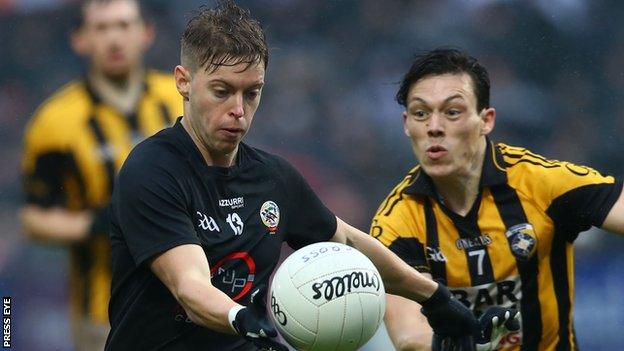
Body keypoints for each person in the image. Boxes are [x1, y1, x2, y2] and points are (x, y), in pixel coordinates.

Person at [104, 3, 485, 351]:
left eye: (252, 93)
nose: (238, 110)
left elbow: (347, 240)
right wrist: (240, 318)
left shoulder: (273, 178)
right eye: (222, 91)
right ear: (184, 82)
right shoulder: (152, 170)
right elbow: (189, 286)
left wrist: (437, 299)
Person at [371, 48, 624, 351]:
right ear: (406, 124)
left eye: (452, 112)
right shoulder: (397, 221)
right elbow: (410, 337)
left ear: (486, 120)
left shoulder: (539, 183)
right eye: (420, 113)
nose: (434, 127)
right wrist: (475, 345)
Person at [20, 0, 182, 350]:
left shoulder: (181, 98)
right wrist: (98, 224)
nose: (114, 39)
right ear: (80, 39)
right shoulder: (54, 122)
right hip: (103, 314)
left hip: (192, 301)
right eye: (102, 28)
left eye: (123, 25)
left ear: (146, 33)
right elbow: (34, 217)